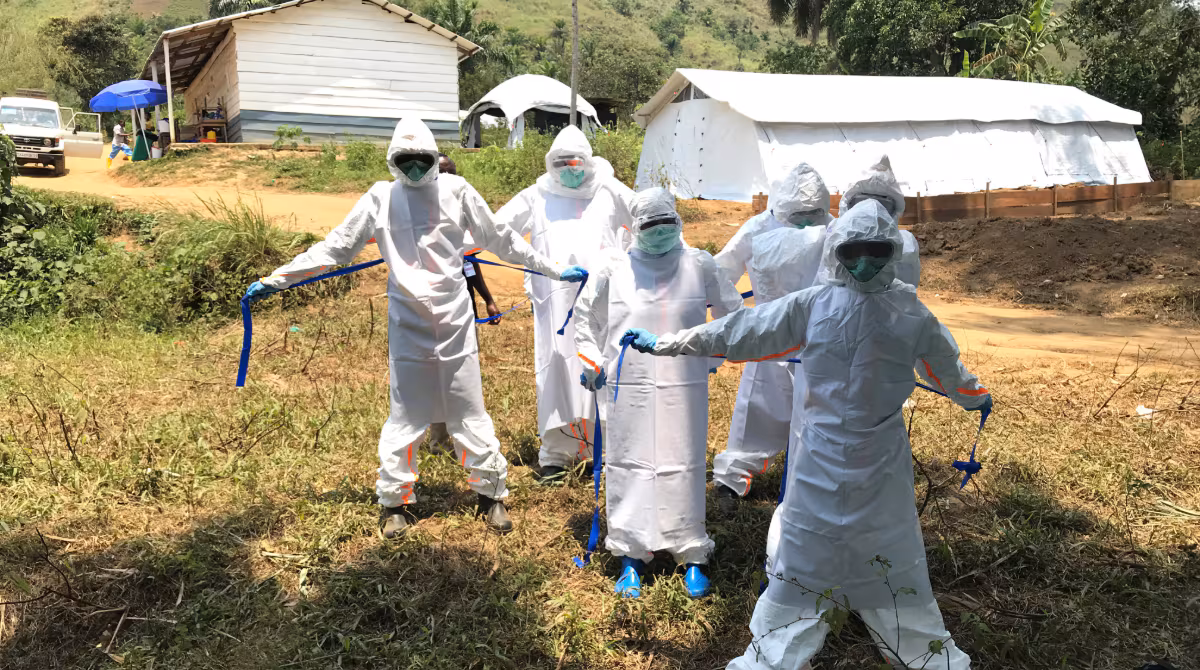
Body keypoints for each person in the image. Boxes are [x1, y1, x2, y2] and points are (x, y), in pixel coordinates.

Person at [620, 199, 990, 669]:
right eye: (853, 251)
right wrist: (672, 343)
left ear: (892, 251)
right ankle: (817, 613)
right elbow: (743, 330)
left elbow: (945, 365)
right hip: (824, 453)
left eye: (875, 251)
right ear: (837, 249)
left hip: (876, 456)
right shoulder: (814, 305)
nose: (863, 263)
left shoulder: (909, 312)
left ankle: (886, 614)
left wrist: (973, 394)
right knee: (812, 542)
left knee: (882, 540)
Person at [243, 118, 587, 538]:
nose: (415, 168)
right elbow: (336, 246)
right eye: (405, 160)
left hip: (456, 322)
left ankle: (491, 495)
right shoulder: (380, 198)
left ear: (433, 157)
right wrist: (277, 278)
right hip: (407, 323)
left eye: (421, 159)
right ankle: (395, 503)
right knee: (406, 416)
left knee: (468, 410)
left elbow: (502, 239)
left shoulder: (457, 191)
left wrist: (554, 270)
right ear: (393, 161)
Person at [574, 187, 743, 599]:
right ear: (634, 228)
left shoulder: (698, 264)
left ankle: (691, 552)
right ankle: (632, 554)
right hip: (627, 385)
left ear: (678, 221)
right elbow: (586, 319)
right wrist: (590, 360)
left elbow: (732, 313)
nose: (661, 232)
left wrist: (710, 356)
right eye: (652, 226)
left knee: (682, 464)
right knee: (629, 462)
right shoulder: (614, 267)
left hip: (684, 385)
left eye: (668, 223)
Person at [495, 125, 634, 484]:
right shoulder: (536, 195)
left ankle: (597, 448)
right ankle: (556, 454)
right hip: (553, 300)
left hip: (602, 300)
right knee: (556, 366)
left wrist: (627, 266)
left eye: (575, 163)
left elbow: (646, 221)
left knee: (596, 364)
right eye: (561, 164)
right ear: (550, 164)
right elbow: (496, 229)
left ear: (587, 161)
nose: (569, 170)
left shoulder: (609, 189)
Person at [710, 163, 833, 511]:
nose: (807, 222)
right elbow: (720, 272)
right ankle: (732, 479)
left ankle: (813, 483)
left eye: (814, 214)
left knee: (820, 413)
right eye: (798, 214)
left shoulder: (835, 229)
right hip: (769, 334)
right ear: (780, 208)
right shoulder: (759, 227)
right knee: (758, 407)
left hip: (819, 337)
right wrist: (735, 318)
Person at [841, 155, 921, 287]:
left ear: (895, 209)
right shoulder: (835, 237)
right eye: (861, 203)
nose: (873, 210)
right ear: (848, 205)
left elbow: (908, 285)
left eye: (882, 205)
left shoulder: (906, 246)